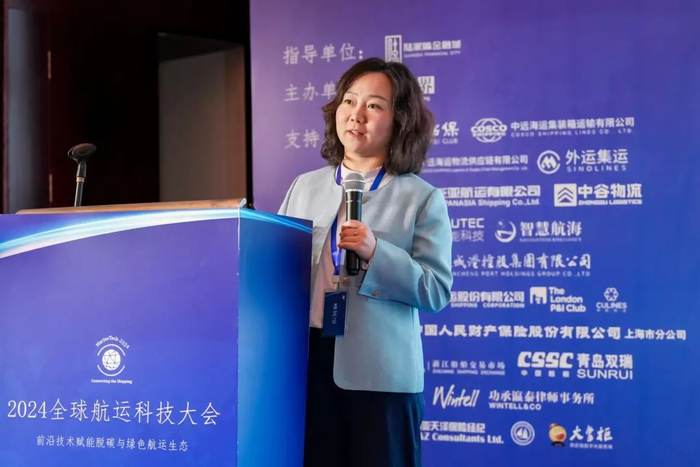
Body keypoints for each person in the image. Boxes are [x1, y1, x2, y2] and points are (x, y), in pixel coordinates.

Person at [278, 57, 453, 467]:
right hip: (307, 364)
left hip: (380, 376)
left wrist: (378, 252)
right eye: (349, 101)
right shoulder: (304, 186)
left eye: (374, 105)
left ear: (400, 120)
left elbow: (435, 290)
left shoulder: (421, 197)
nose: (356, 114)